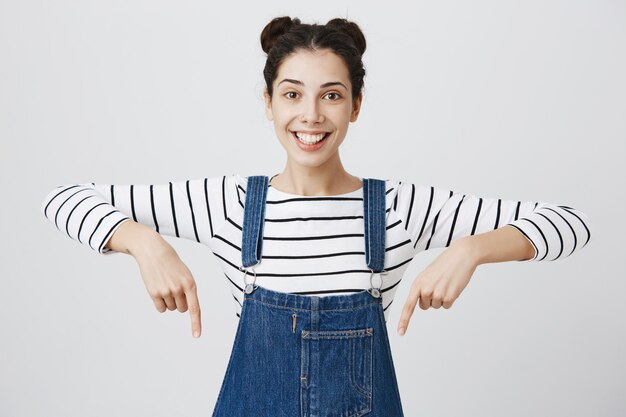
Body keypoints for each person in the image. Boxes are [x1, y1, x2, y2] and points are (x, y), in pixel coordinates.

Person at [40, 16, 593, 416]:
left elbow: (571, 221)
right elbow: (63, 197)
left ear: (355, 105)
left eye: (331, 95)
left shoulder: (397, 208)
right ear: (268, 103)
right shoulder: (229, 204)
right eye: (292, 94)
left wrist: (471, 249)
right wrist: (144, 242)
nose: (310, 115)